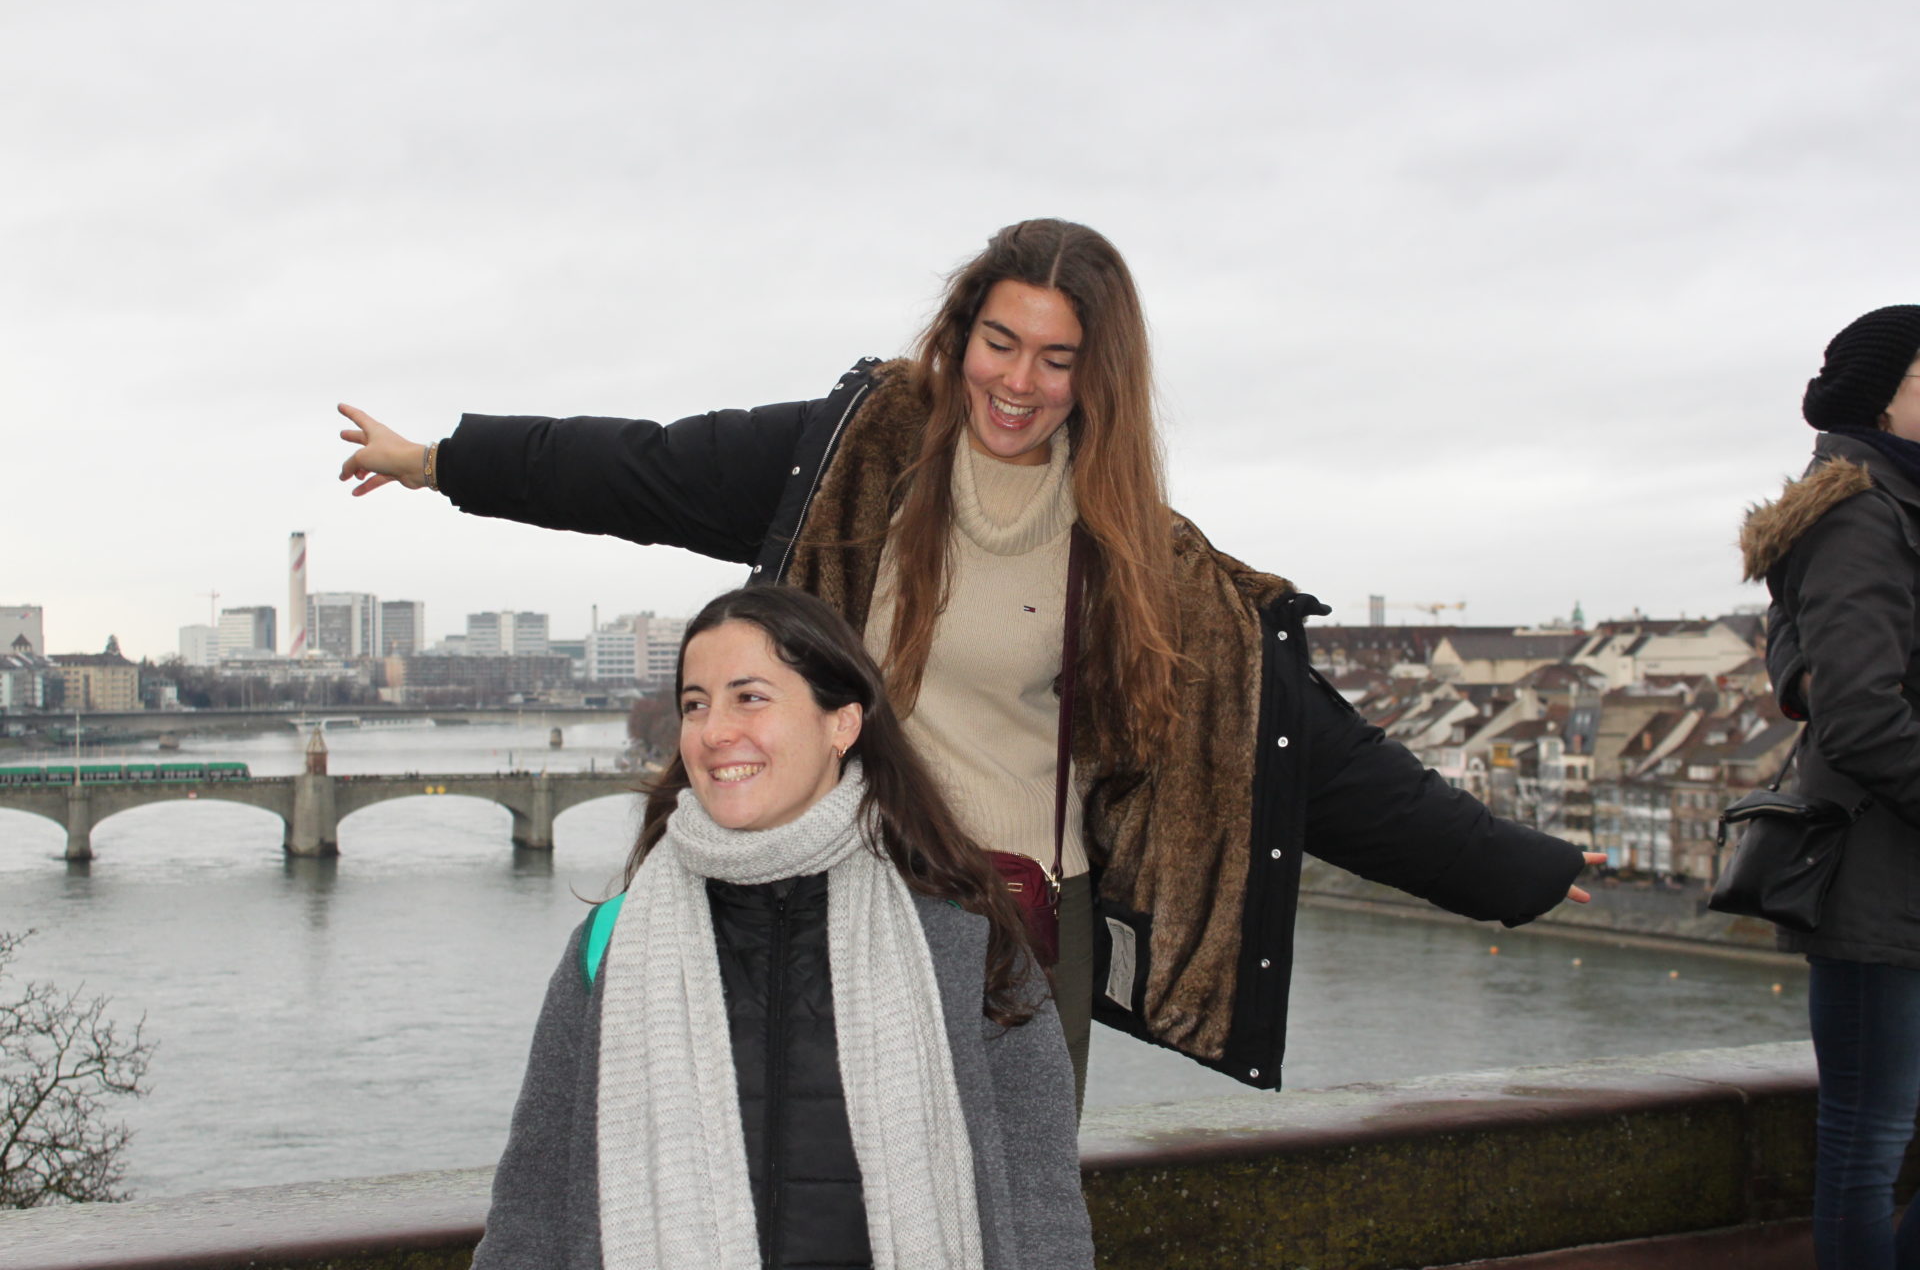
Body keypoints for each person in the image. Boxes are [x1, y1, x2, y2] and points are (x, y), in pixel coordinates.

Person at [338, 218, 1600, 1101]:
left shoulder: (1140, 553)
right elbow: (645, 466)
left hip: (1013, 933)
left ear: (1097, 374)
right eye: (1003, 342)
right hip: (830, 897)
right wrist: (447, 459)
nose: (1021, 382)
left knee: (1003, 1216)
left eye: (1059, 358)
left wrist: (1515, 869)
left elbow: (1303, 747)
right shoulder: (854, 453)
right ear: (961, 332)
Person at [472, 584, 1092, 1270]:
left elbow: (1042, 1203)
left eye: (750, 697)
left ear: (842, 724)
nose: (713, 732)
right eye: (695, 704)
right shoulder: (611, 944)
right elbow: (534, 1200)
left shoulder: (961, 936)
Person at [1741, 305, 1920, 1270]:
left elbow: (1809, 652)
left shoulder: (1885, 504)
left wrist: (1801, 675)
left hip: (1898, 873)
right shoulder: (1864, 511)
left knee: (1870, 1136)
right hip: (1872, 878)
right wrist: (1814, 683)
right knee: (1866, 1140)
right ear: (1883, 402)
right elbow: (1862, 717)